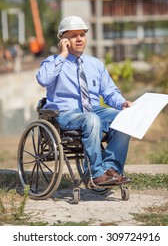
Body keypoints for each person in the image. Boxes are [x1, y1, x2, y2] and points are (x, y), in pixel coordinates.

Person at [36, 16, 132, 186]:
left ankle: (111, 169)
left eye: (82, 34)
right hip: (66, 113)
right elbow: (43, 79)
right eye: (73, 35)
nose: (79, 38)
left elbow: (109, 92)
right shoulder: (53, 62)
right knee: (91, 119)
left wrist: (122, 103)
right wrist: (63, 55)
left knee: (124, 119)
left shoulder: (95, 64)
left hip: (94, 109)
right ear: (63, 40)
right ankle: (97, 173)